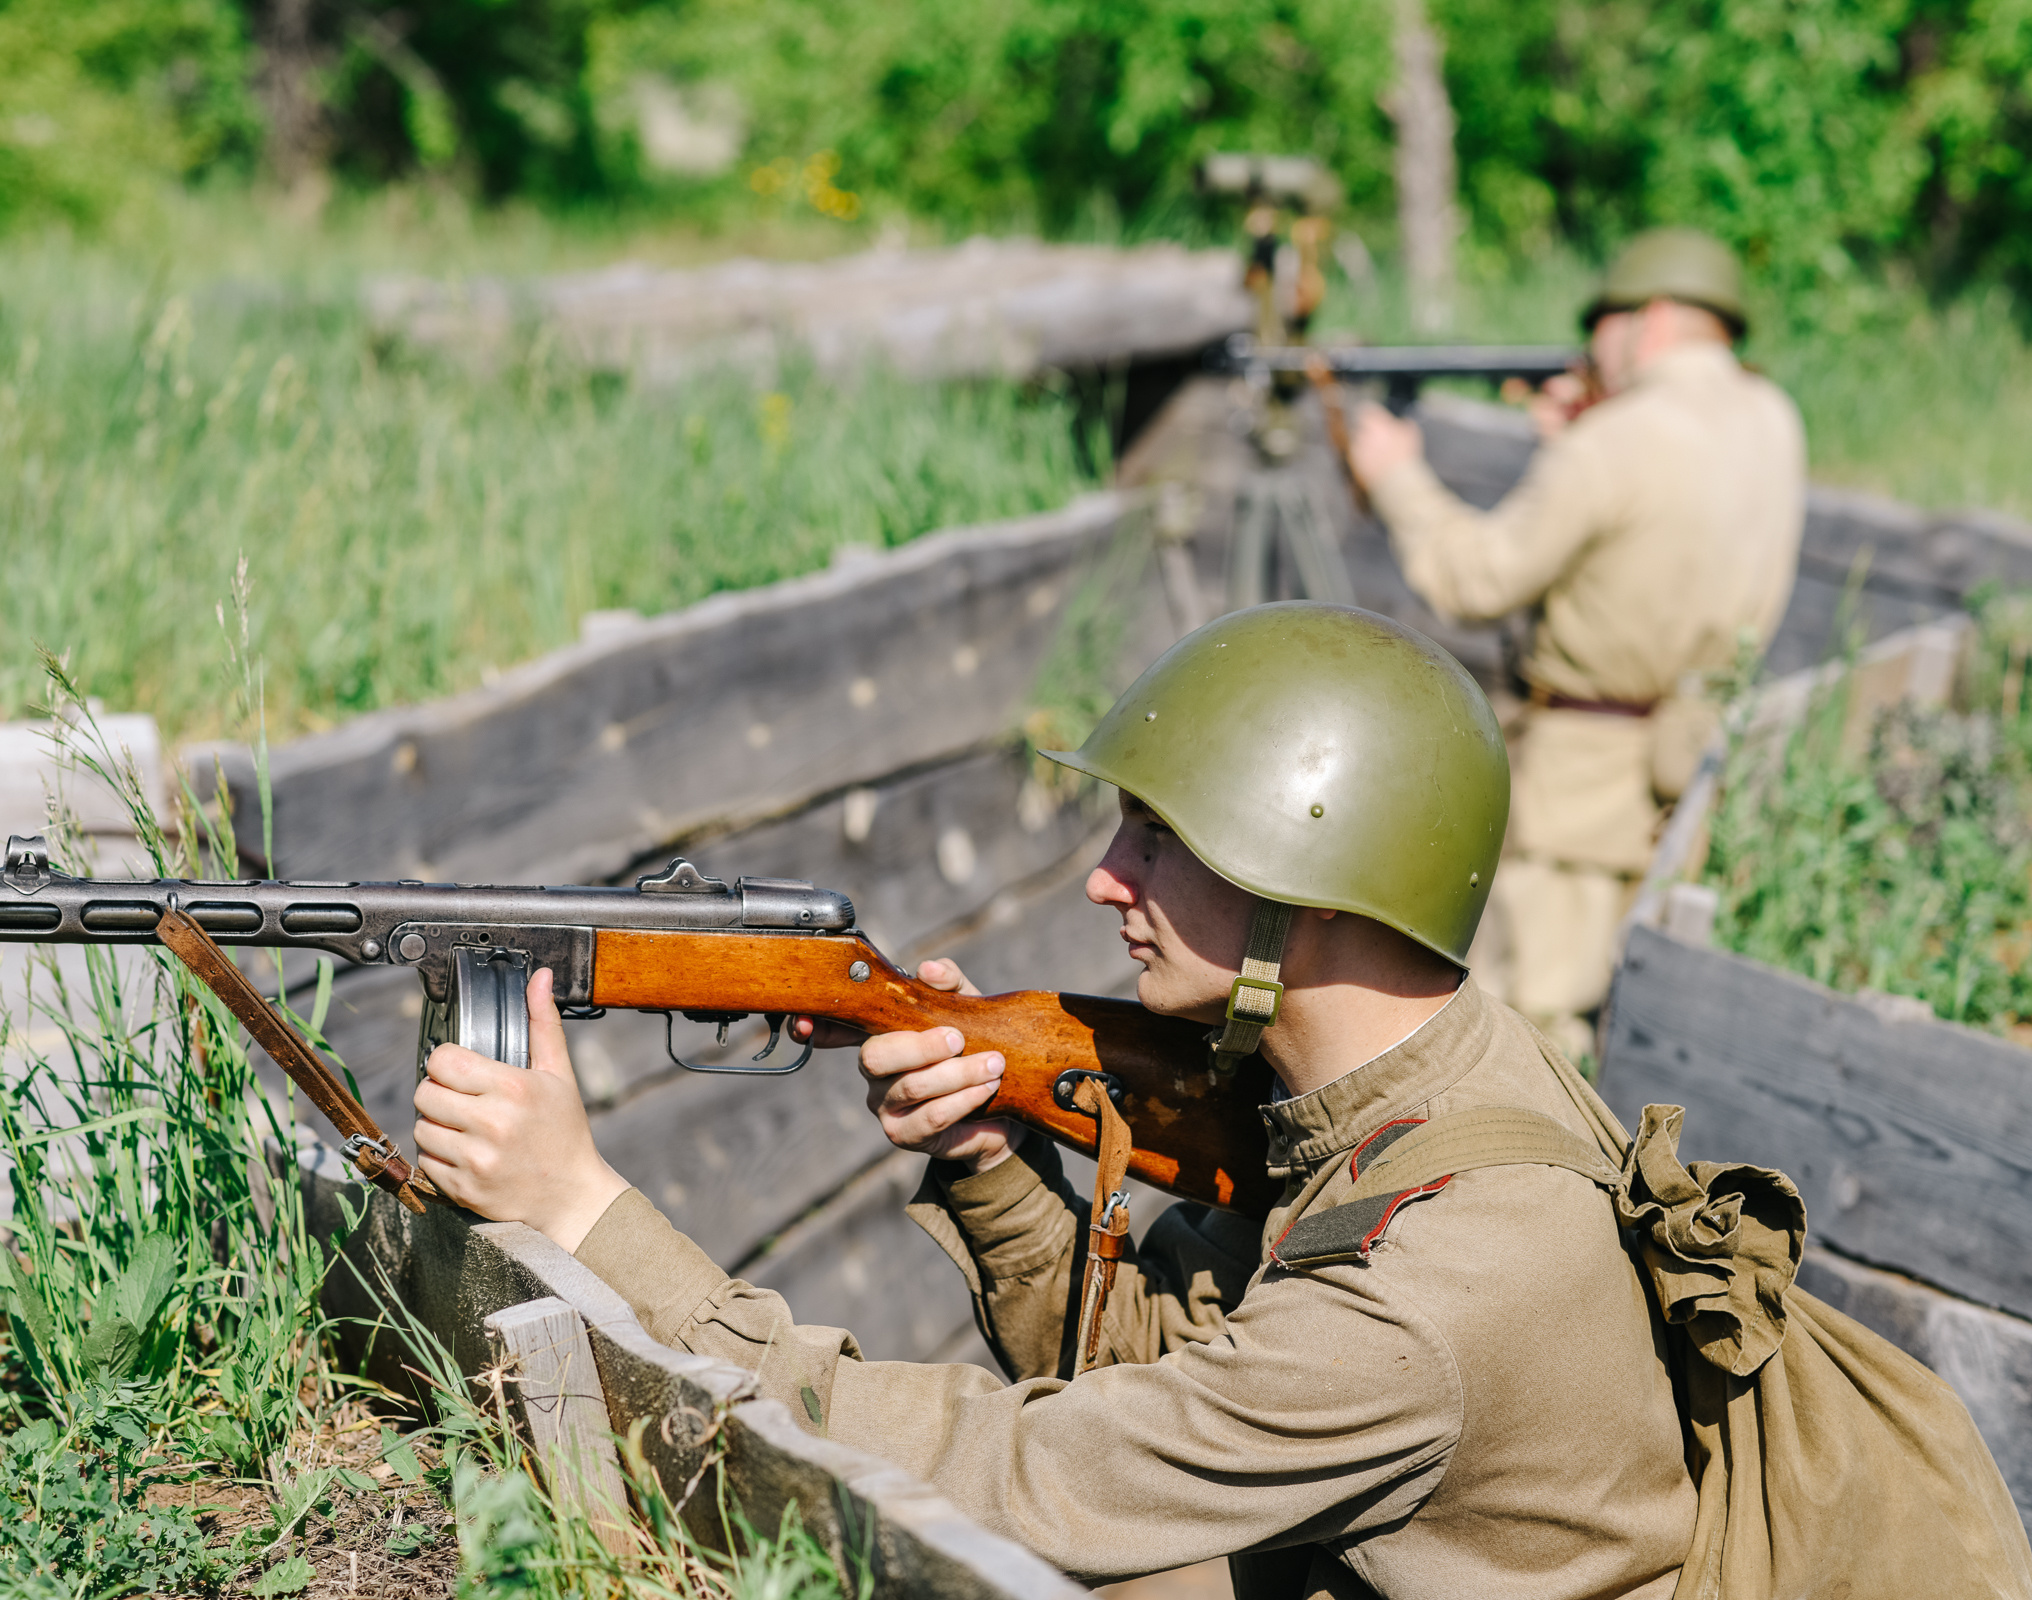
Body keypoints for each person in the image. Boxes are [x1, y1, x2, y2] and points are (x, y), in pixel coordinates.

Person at [410, 603, 1696, 1598]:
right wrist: (992, 1163)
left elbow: (1026, 1477)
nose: (1103, 876)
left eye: (1156, 836)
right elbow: (1177, 1377)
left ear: (1299, 884)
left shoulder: (1433, 1288)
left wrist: (586, 1213)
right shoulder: (1406, 1089)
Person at [1347, 228, 1807, 1062]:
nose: (1591, 348)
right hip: (1689, 767)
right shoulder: (1772, 418)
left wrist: (1395, 476)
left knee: (1530, 1031)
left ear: (1650, 320)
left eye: (1601, 327)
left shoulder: (1617, 441)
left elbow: (1477, 580)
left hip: (1580, 789)